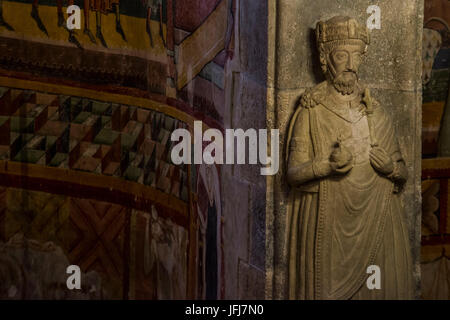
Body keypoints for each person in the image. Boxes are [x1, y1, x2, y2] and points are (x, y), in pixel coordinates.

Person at [286, 16, 413, 299]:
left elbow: (402, 172)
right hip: (328, 225)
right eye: (342, 55)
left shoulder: (375, 111)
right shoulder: (310, 111)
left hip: (379, 220)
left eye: (356, 56)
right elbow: (293, 174)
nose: (350, 64)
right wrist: (325, 166)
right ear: (325, 59)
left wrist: (391, 167)